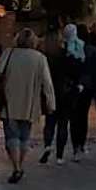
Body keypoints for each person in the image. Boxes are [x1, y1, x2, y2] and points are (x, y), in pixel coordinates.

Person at [0, 28, 55, 184]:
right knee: (24, 136)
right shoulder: (40, 58)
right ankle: (20, 165)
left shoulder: (9, 54)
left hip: (9, 101)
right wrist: (50, 103)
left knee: (11, 136)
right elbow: (47, 83)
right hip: (30, 102)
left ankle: (16, 167)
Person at [38, 24, 82, 165]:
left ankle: (47, 145)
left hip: (51, 91)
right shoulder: (66, 55)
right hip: (65, 93)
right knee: (63, 124)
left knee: (50, 122)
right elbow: (75, 72)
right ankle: (60, 156)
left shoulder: (46, 57)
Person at [67, 23, 96, 163]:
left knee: (74, 117)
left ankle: (76, 145)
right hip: (87, 86)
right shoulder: (92, 50)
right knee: (83, 115)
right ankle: (81, 143)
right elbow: (95, 69)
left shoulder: (71, 49)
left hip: (73, 86)